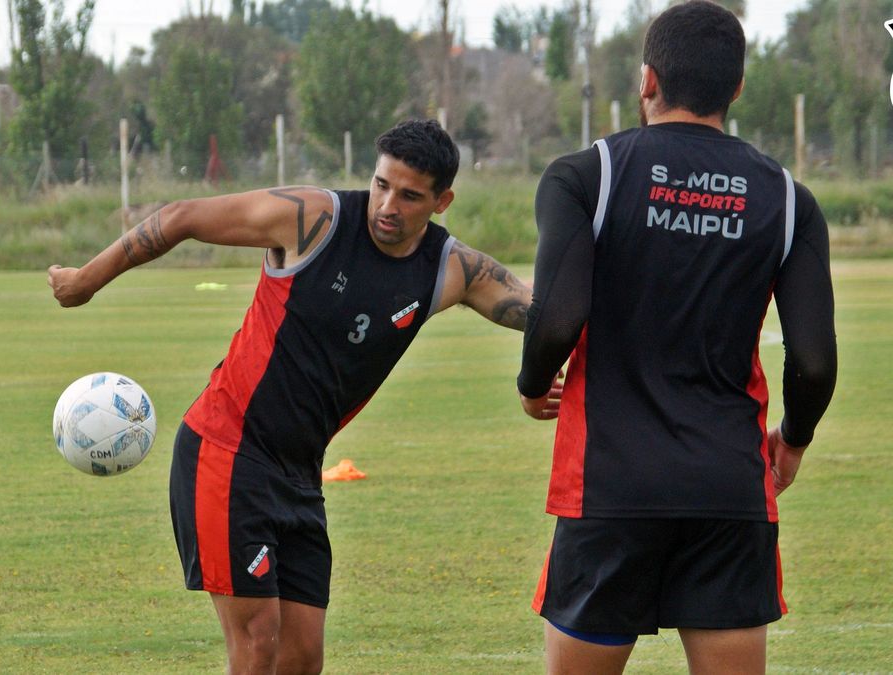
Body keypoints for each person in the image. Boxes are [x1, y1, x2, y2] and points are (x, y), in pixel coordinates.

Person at [49, 119, 532, 674]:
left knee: (301, 659)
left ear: (442, 201)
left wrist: (547, 369)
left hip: (300, 476)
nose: (387, 205)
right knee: (258, 643)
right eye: (381, 185)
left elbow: (542, 311)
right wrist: (86, 279)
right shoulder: (314, 219)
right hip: (227, 452)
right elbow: (182, 218)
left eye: (410, 195)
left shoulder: (449, 270)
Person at [517, 2, 838, 673]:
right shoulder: (787, 199)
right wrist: (796, 437)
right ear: (738, 88)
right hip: (727, 486)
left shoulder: (587, 175)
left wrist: (531, 383)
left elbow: (556, 316)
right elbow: (812, 359)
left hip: (608, 485)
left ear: (647, 79)